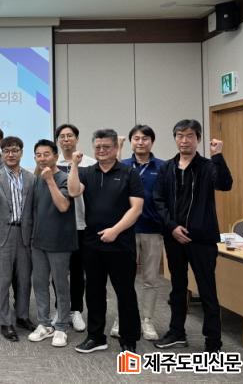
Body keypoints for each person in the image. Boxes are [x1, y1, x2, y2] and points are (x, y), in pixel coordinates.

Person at [153, 119, 232, 353]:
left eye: (189, 136)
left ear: (198, 138)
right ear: (175, 138)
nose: (184, 140)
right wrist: (172, 227)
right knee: (177, 288)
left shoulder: (208, 166)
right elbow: (158, 200)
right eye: (180, 136)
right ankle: (177, 332)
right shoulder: (167, 168)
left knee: (207, 291)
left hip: (202, 240)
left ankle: (213, 342)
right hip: (174, 238)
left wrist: (218, 156)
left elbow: (225, 184)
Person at [68, 129, 144, 354]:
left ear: (116, 148)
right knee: (94, 291)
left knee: (125, 291)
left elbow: (136, 208)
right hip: (92, 242)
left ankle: (129, 339)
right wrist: (74, 165)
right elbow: (73, 191)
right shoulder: (87, 172)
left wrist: (115, 230)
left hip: (121, 243)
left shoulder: (129, 173)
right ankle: (96, 336)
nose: (101, 150)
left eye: (106, 147)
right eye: (98, 147)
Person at [109, 125, 165, 341]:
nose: (141, 142)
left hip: (152, 230)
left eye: (145, 138)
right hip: (126, 231)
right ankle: (121, 319)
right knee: (124, 278)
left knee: (150, 278)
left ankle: (147, 320)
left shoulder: (162, 167)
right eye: (137, 138)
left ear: (152, 141)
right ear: (131, 141)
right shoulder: (123, 165)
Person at [0, 136, 35, 342]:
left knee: (24, 280)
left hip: (24, 234)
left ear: (21, 152)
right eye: (7, 151)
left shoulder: (31, 177)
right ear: (2, 154)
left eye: (15, 150)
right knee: (3, 280)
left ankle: (22, 316)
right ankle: (5, 321)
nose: (11, 154)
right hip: (3, 235)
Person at [28, 139, 74, 348]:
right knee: (39, 283)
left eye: (46, 154)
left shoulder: (64, 178)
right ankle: (45, 324)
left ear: (55, 156)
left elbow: (63, 206)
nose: (42, 158)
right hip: (38, 241)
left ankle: (62, 326)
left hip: (60, 242)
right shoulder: (36, 180)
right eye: (38, 155)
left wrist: (50, 181)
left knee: (61, 285)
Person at [54, 123, 96, 332]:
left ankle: (76, 310)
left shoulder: (89, 163)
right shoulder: (54, 163)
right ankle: (60, 308)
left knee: (78, 270)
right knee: (59, 271)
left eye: (70, 136)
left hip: (82, 224)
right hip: (58, 225)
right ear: (58, 141)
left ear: (77, 139)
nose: (66, 139)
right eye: (62, 136)